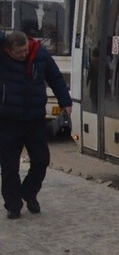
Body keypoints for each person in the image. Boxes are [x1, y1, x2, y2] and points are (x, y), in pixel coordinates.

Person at [0, 30, 71, 220]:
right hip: (8, 120)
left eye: (25, 50)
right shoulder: (2, 55)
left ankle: (29, 192)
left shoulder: (39, 54)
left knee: (41, 161)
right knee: (9, 168)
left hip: (35, 120)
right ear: (8, 50)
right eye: (19, 52)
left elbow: (55, 77)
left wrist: (65, 101)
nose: (23, 55)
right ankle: (13, 205)